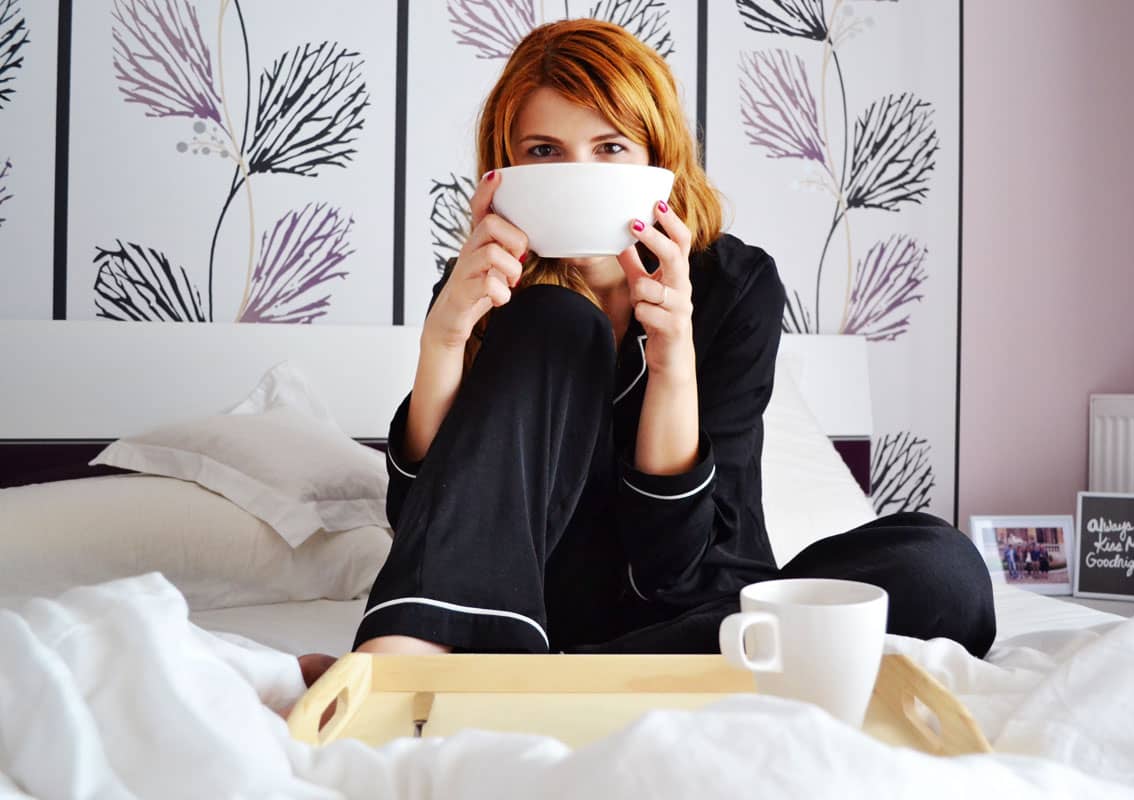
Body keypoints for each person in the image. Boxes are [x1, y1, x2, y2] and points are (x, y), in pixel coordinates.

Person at [301, 19, 995, 683]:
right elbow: (432, 525)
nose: (580, 173)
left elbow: (678, 563)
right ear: (505, 171)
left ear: (656, 160)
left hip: (709, 605)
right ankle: (413, 656)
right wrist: (445, 336)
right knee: (554, 318)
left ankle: (563, 676)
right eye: (544, 151)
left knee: (942, 571)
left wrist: (671, 361)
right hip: (532, 607)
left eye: (610, 148)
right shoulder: (490, 287)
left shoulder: (735, 284)